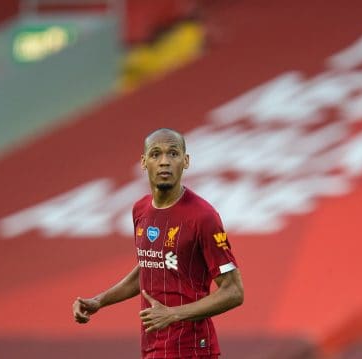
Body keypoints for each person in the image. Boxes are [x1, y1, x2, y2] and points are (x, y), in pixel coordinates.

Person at [72, 128, 244, 358]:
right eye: (156, 154)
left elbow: (233, 291)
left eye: (173, 154)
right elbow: (150, 266)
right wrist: (99, 301)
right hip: (153, 348)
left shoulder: (202, 217)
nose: (164, 162)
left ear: (186, 161)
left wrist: (173, 314)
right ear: (144, 162)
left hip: (192, 349)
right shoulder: (140, 210)